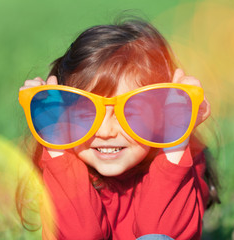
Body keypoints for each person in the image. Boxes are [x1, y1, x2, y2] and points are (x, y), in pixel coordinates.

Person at [17, 17, 220, 240]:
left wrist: (175, 140)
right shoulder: (65, 168)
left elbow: (162, 234)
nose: (105, 131)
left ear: (162, 114)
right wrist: (56, 141)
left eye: (131, 112)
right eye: (86, 113)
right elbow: (79, 235)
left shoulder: (176, 166)